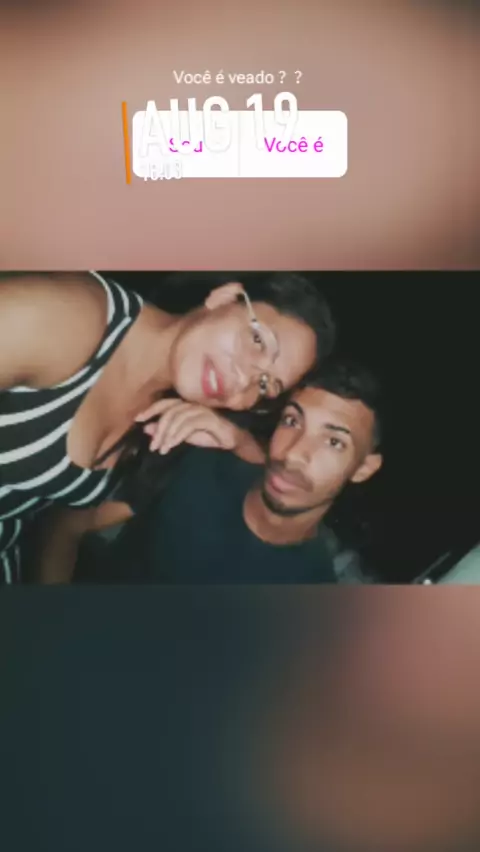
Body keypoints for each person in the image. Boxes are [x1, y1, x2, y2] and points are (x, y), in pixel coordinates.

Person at [0, 271, 335, 584]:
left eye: (264, 385)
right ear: (224, 298)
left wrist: (236, 439)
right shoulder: (67, 319)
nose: (244, 378)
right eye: (259, 340)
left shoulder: (165, 420)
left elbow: (276, 468)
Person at [74, 359, 384, 585]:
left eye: (333, 442)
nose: (293, 453)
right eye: (292, 421)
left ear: (363, 469)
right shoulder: (202, 462)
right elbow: (72, 525)